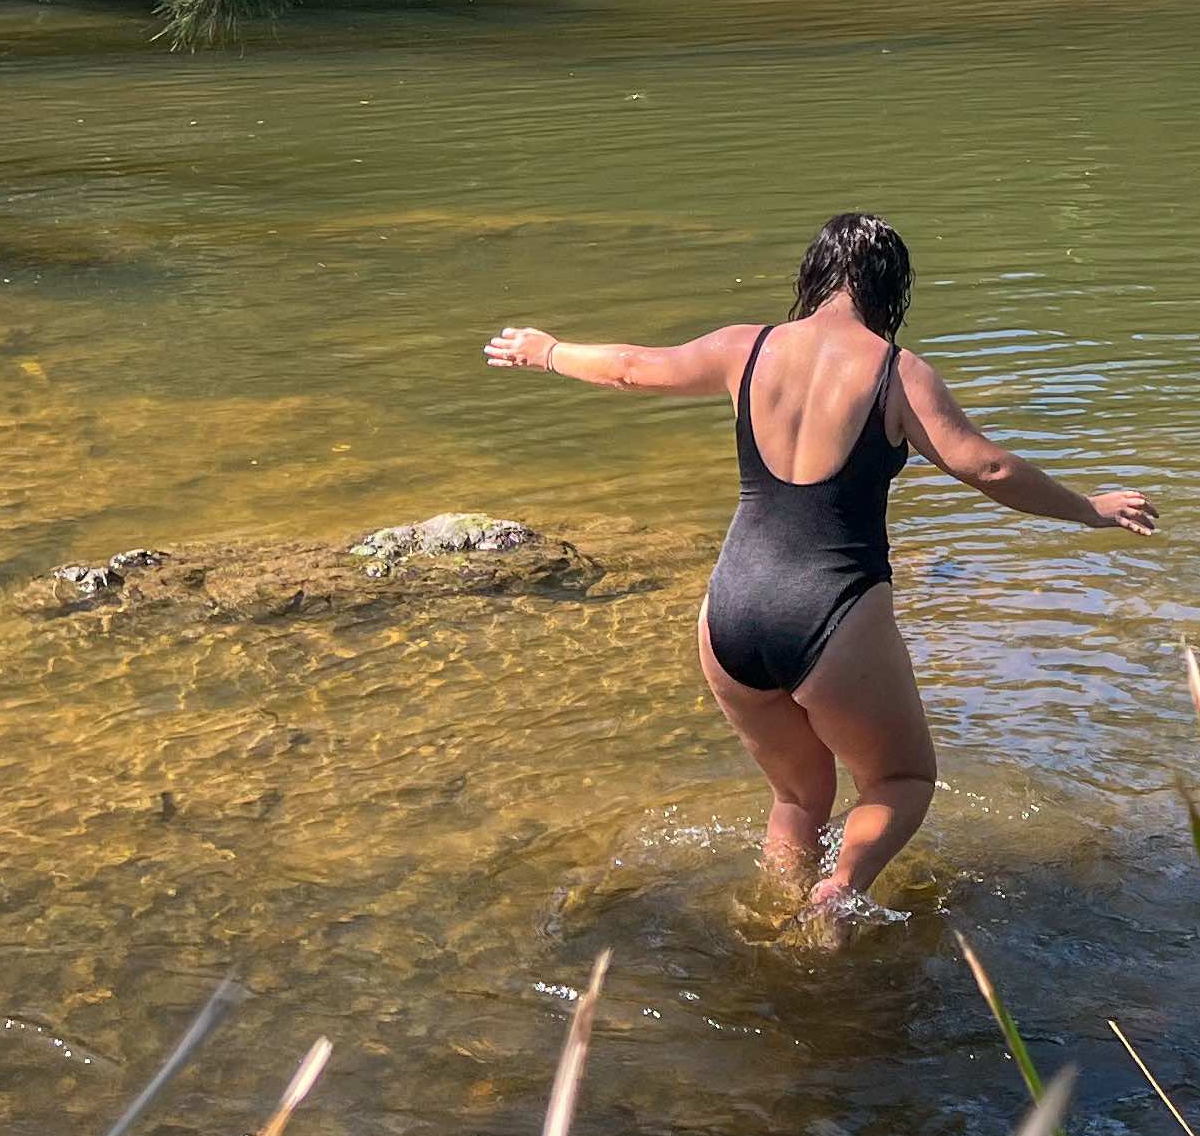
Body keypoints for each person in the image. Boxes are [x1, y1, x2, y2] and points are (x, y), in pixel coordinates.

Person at [484, 213, 1156, 934]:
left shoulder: (746, 348)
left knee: (800, 799)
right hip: (831, 609)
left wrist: (547, 351)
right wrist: (1091, 508)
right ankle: (836, 898)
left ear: (813, 277)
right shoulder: (897, 373)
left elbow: (628, 367)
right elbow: (985, 466)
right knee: (902, 781)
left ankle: (774, 921)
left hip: (731, 614)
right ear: (890, 289)